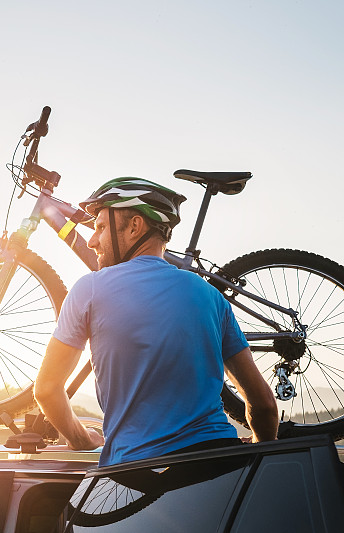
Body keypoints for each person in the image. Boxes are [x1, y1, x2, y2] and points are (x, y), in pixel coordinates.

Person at [33, 177, 278, 466]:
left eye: (99, 227)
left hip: (135, 475)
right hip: (218, 465)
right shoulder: (211, 296)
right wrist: (260, 457)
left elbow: (47, 390)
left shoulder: (89, 289)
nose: (91, 240)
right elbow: (262, 405)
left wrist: (81, 438)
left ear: (135, 226)